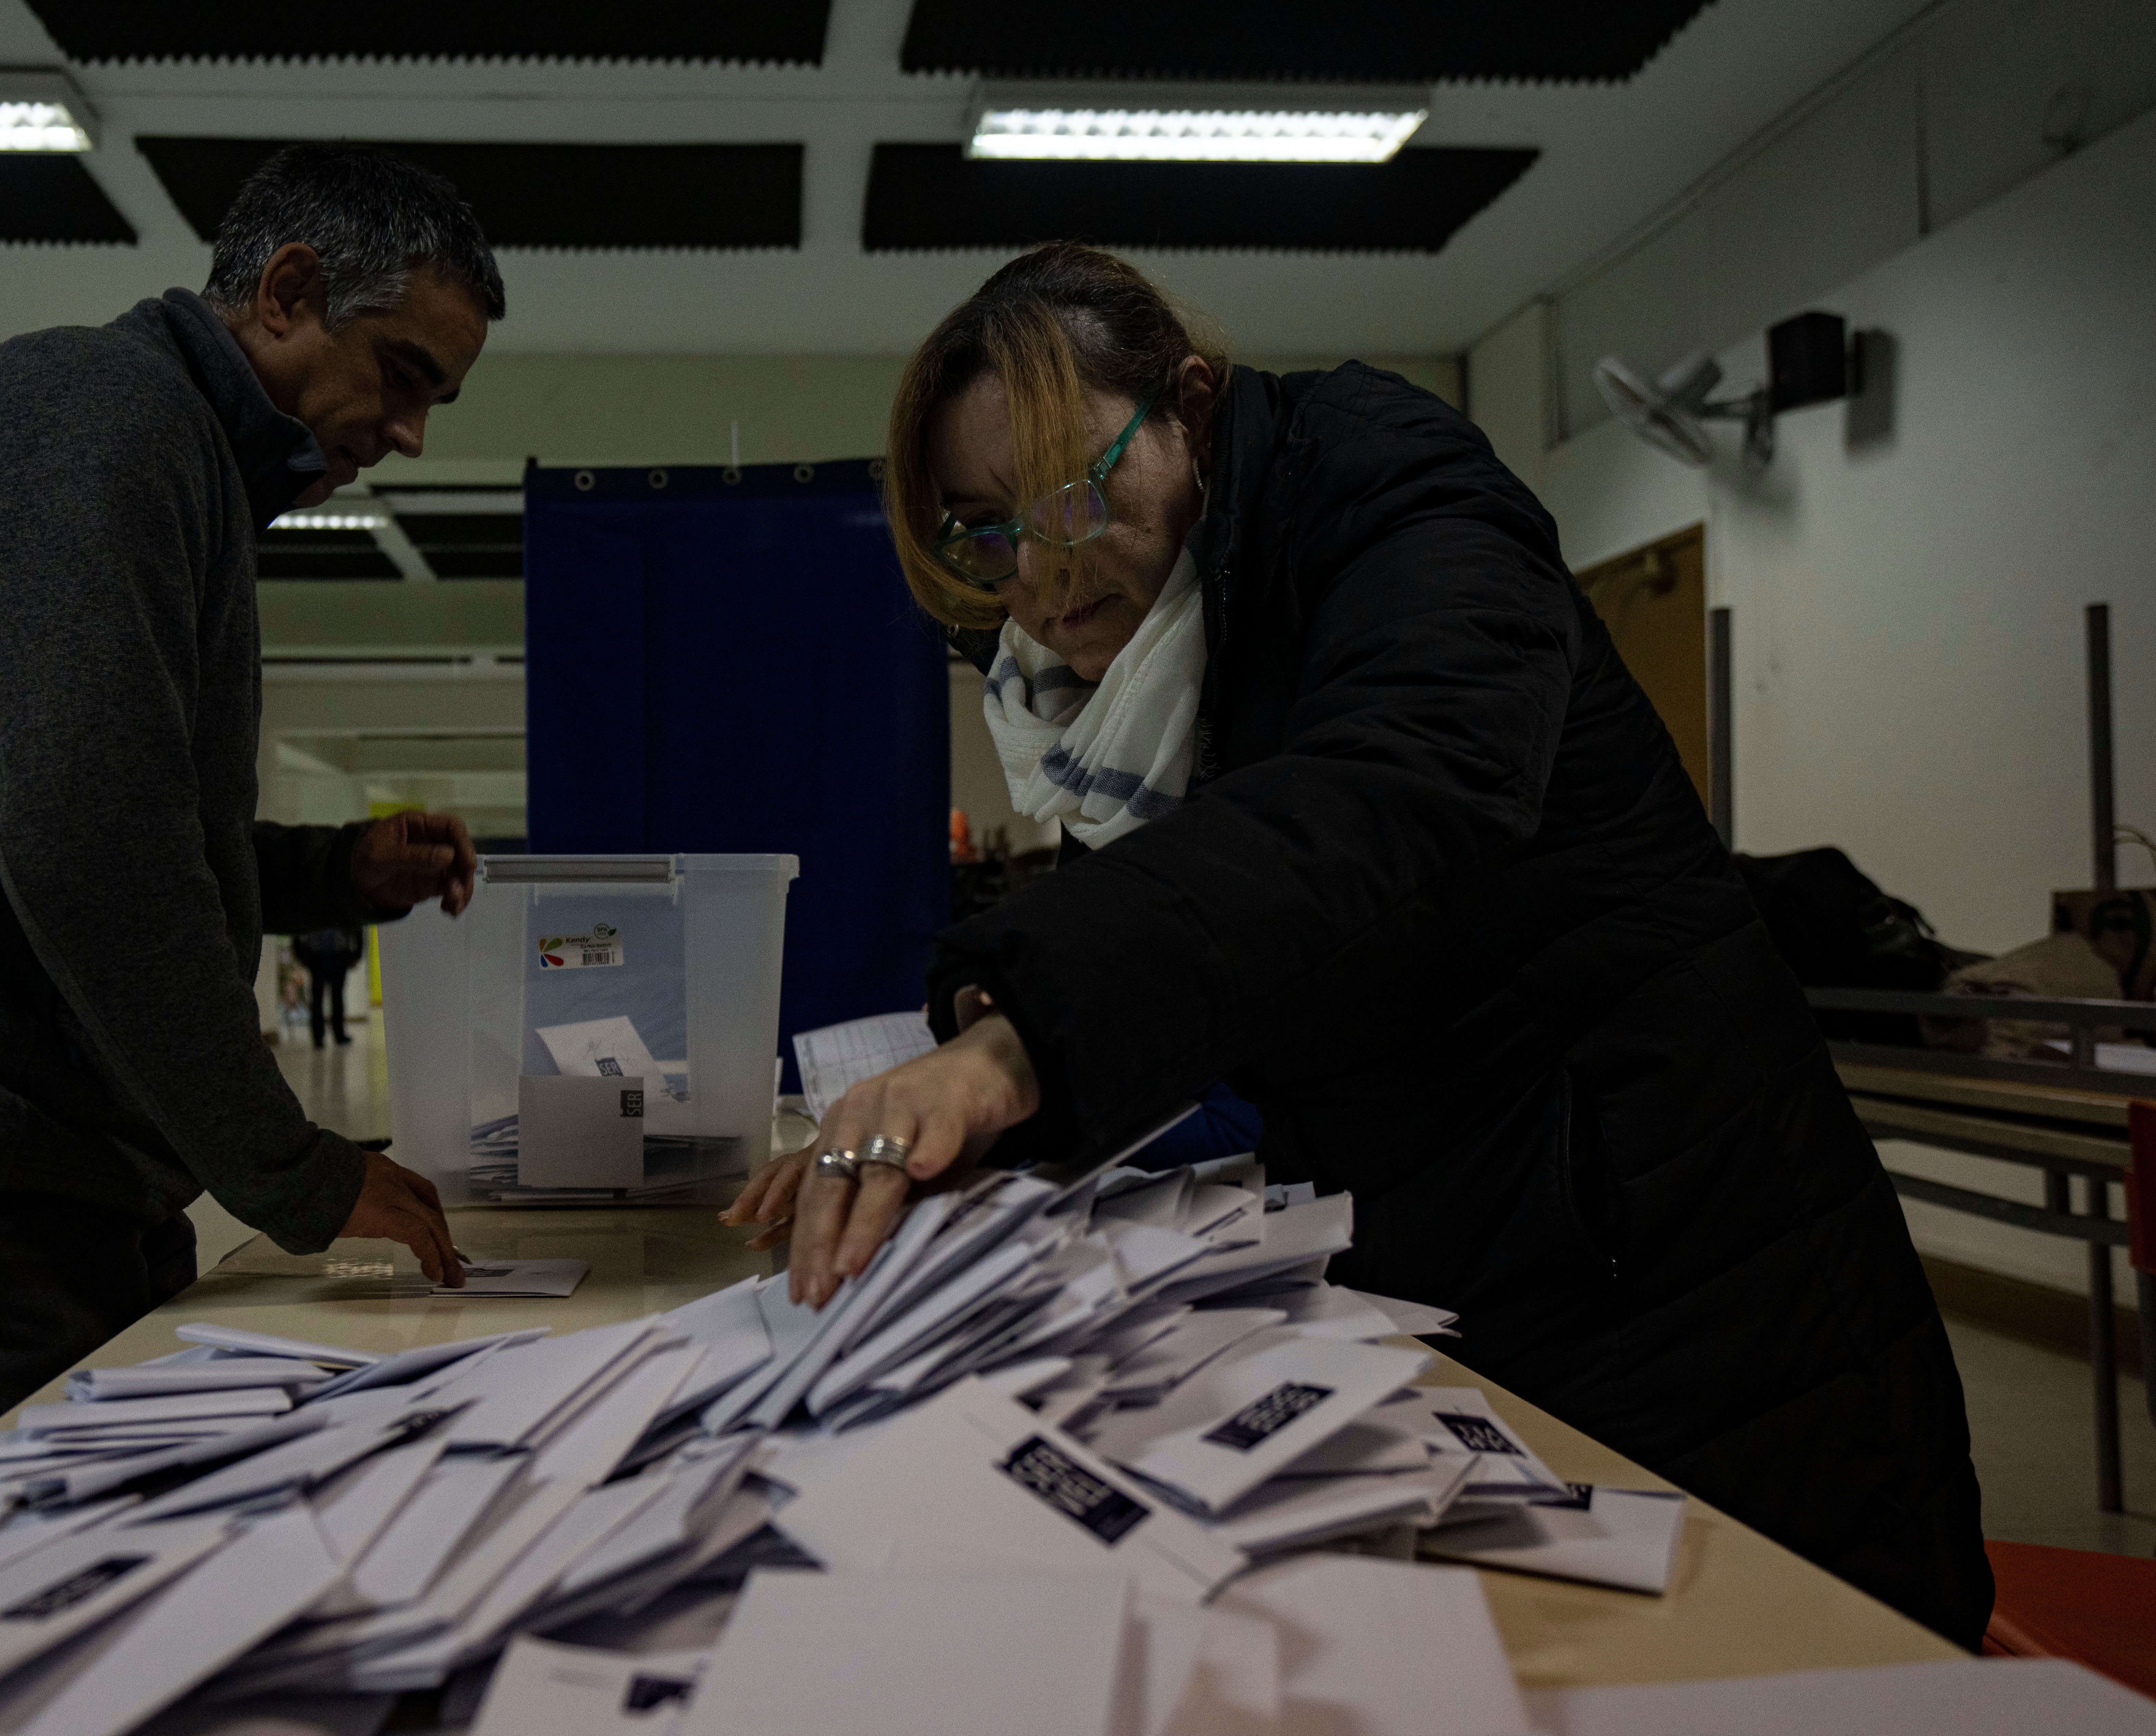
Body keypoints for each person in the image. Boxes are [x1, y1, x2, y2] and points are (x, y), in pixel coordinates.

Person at [727, 244, 1992, 1647]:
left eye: (1072, 489)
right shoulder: (1136, 676)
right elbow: (1220, 959)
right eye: (983, 530)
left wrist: (1008, 1045)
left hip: (1686, 1269)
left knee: (1784, 1712)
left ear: (1194, 405)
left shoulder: (1393, 489)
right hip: (1462, 1262)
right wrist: (979, 1147)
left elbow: (1391, 791)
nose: (1037, 571)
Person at [0, 145, 499, 1440]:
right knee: (15, 1617)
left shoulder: (167, 449)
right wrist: (290, 1168)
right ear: (290, 289)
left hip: (49, 1164)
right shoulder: (103, 416)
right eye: (401, 375)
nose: (410, 434)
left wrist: (332, 871)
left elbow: (115, 806)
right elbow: (82, 836)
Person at [291, 926, 362, 1046]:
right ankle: (319, 1036)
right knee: (318, 998)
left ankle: (338, 1034)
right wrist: (300, 954)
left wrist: (357, 954)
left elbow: (356, 927)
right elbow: (299, 929)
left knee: (336, 997)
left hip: (338, 956)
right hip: (317, 957)